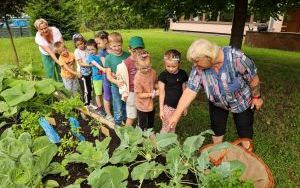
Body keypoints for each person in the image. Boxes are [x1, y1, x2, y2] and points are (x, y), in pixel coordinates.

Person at [168, 39, 263, 149]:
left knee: (244, 127)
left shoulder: (237, 59)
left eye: (196, 61)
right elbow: (190, 90)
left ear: (209, 57)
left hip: (241, 101)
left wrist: (256, 97)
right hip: (217, 102)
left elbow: (254, 80)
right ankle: (217, 152)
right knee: (217, 126)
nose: (194, 64)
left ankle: (248, 153)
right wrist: (176, 115)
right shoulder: (199, 67)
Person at [116, 36, 145, 126]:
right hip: (131, 93)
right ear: (129, 49)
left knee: (142, 114)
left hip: (142, 92)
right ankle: (126, 135)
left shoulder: (144, 61)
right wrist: (124, 93)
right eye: (134, 51)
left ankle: (141, 131)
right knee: (131, 116)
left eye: (140, 51)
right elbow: (120, 81)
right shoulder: (124, 65)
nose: (137, 53)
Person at [158, 49, 189, 133]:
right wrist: (161, 109)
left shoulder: (183, 74)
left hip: (178, 107)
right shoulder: (163, 76)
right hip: (167, 107)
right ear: (165, 63)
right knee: (166, 127)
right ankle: (161, 142)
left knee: (173, 125)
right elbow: (161, 93)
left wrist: (184, 107)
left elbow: (184, 91)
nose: (171, 69)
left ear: (179, 64)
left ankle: (170, 142)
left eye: (173, 66)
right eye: (168, 66)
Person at [105, 32, 130, 126]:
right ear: (110, 46)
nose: (117, 48)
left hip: (127, 87)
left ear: (122, 44)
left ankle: (125, 121)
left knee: (126, 106)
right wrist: (116, 81)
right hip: (116, 87)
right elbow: (108, 76)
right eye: (114, 46)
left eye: (119, 45)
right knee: (118, 107)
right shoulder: (109, 58)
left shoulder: (127, 56)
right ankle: (118, 124)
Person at [134, 51, 158, 130]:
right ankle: (141, 136)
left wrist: (159, 87)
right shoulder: (138, 78)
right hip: (142, 105)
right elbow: (139, 95)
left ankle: (150, 132)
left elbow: (154, 83)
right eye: (144, 68)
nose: (147, 69)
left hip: (151, 103)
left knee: (151, 121)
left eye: (149, 66)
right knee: (142, 123)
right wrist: (152, 94)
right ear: (137, 65)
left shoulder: (153, 72)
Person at [95, 31, 114, 122]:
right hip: (107, 76)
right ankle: (109, 114)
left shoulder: (115, 49)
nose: (97, 45)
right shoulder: (102, 53)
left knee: (116, 95)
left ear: (105, 40)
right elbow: (105, 65)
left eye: (99, 43)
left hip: (117, 76)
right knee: (107, 95)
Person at [86, 39, 106, 116]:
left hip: (104, 77)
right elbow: (97, 65)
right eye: (89, 50)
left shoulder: (100, 54)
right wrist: (104, 69)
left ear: (96, 48)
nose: (91, 51)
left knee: (104, 93)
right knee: (98, 94)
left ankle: (104, 106)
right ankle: (100, 108)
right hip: (97, 78)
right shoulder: (90, 57)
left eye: (92, 49)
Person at [73, 34, 93, 106]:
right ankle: (86, 104)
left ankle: (90, 101)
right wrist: (91, 65)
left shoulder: (87, 49)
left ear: (84, 42)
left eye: (81, 43)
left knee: (90, 87)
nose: (80, 46)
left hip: (90, 72)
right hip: (83, 73)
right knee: (85, 89)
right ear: (76, 45)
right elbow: (81, 63)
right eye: (78, 45)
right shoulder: (77, 52)